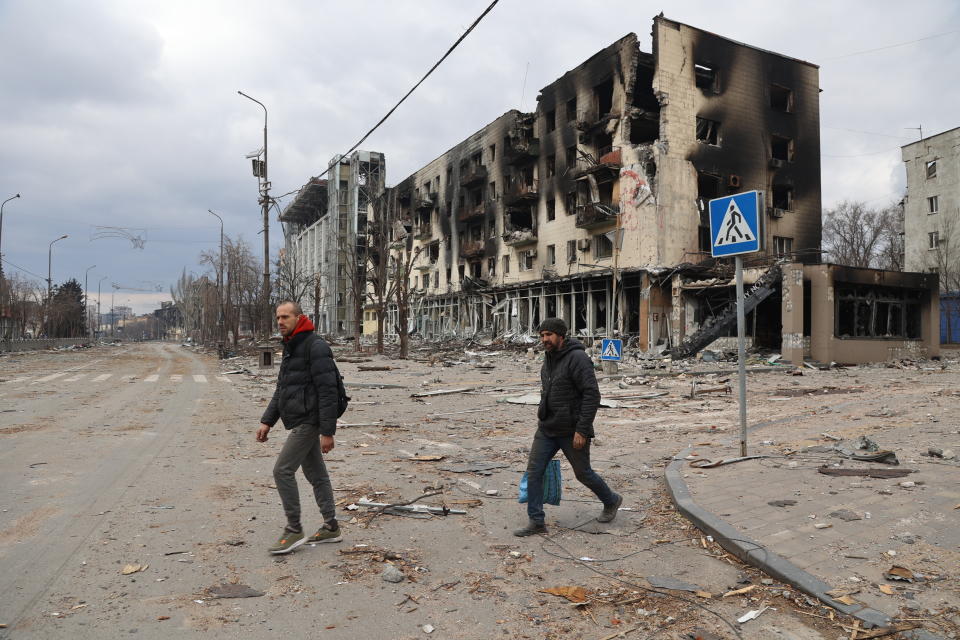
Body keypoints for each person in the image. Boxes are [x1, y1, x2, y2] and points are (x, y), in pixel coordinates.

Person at [514, 317, 622, 537]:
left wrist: (582, 430)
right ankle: (536, 521)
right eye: (542, 335)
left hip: (572, 430)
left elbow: (592, 395)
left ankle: (611, 500)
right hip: (547, 428)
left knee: (583, 473)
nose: (545, 339)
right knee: (534, 473)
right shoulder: (549, 357)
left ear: (561, 336)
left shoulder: (578, 358)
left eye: (549, 335)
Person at [256, 301, 343, 554]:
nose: (280, 321)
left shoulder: (315, 347)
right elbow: (283, 389)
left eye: (285, 317)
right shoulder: (291, 346)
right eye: (278, 317)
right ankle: (331, 526)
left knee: (282, 470)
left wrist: (327, 432)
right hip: (300, 417)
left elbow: (328, 391)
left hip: (310, 420)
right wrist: (267, 420)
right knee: (316, 474)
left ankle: (294, 529)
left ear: (299, 318)